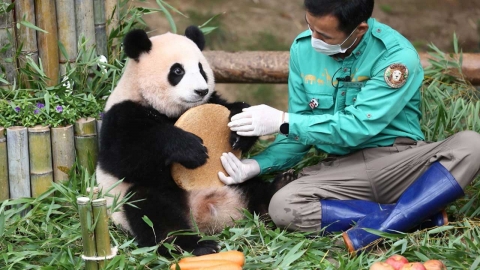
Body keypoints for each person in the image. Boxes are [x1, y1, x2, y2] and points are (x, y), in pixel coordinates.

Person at [217, 0, 480, 254]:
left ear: (360, 29)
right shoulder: (302, 51)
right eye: (310, 26)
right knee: (283, 206)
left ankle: (366, 233)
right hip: (341, 172)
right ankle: (416, 216)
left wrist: (284, 121)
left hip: (398, 164)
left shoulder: (396, 57)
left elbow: (356, 127)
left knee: (471, 145)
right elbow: (297, 136)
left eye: (324, 35)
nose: (313, 39)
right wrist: (257, 165)